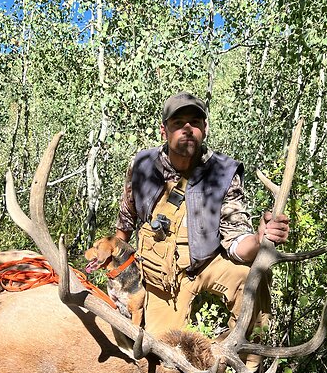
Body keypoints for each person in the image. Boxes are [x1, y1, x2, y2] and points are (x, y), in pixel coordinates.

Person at [113, 91, 290, 344]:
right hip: (161, 276)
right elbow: (125, 222)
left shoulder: (223, 172)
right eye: (178, 123)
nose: (187, 129)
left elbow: (237, 239)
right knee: (158, 354)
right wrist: (118, 274)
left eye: (195, 122)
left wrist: (260, 239)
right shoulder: (142, 166)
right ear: (164, 131)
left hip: (208, 262)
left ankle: (245, 367)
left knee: (252, 278)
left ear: (204, 128)